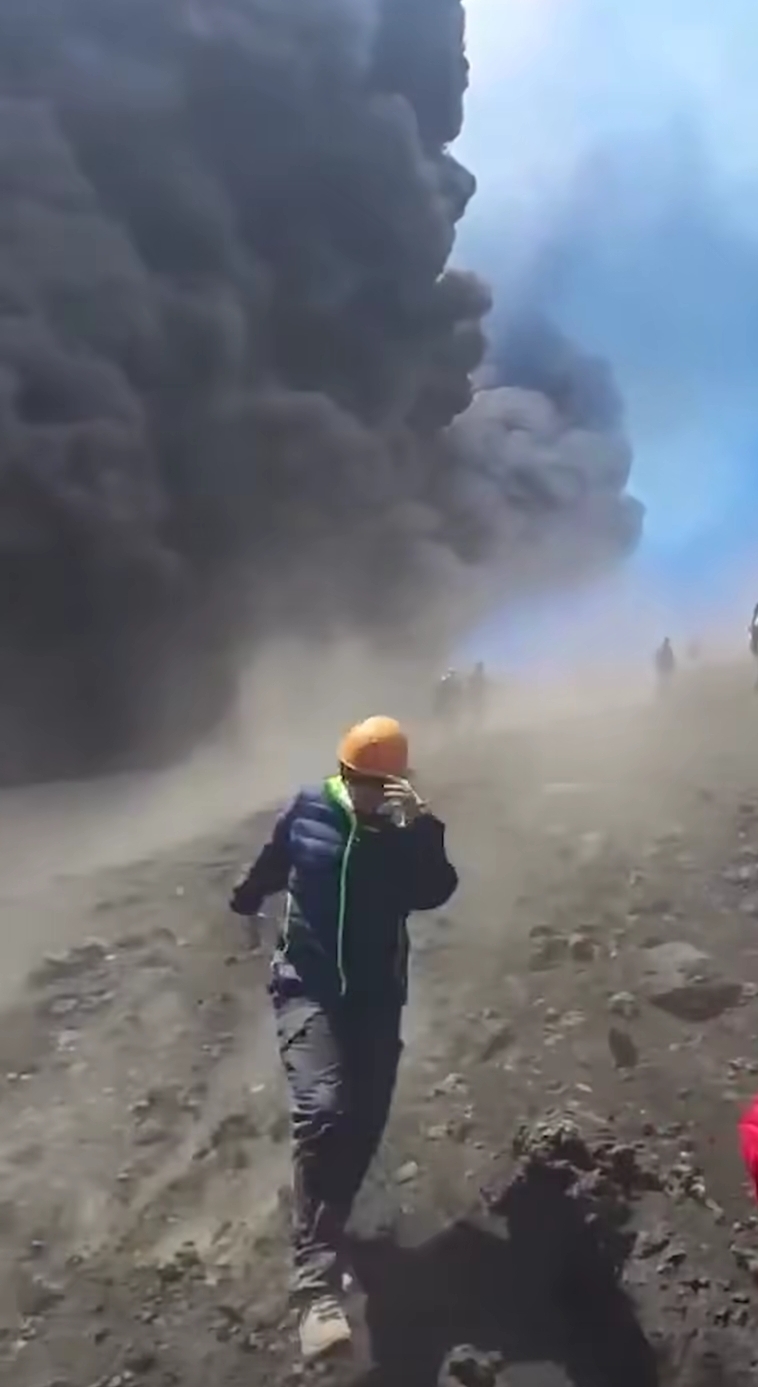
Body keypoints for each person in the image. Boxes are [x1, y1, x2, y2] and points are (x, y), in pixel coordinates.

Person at [229, 716, 458, 1362]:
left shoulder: (403, 834)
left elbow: (435, 889)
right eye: (357, 780)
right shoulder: (307, 808)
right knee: (324, 1110)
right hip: (306, 986)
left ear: (399, 783)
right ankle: (316, 1289)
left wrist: (425, 828)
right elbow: (274, 860)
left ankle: (318, 1217)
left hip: (377, 1000)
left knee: (363, 1124)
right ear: (342, 772)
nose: (365, 792)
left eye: (379, 784)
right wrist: (245, 902)